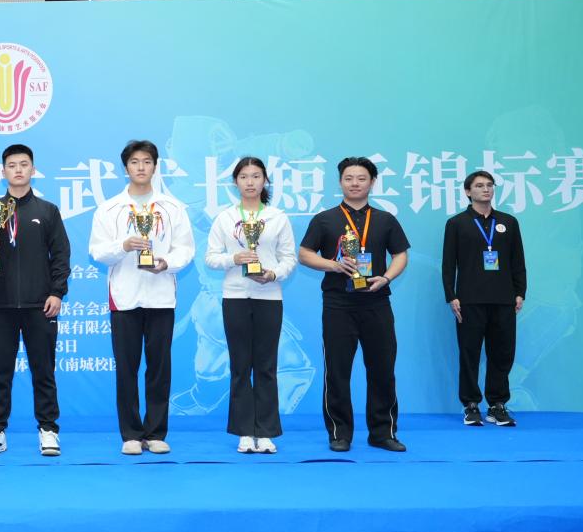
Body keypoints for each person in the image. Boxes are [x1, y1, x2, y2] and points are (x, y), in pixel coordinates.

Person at [88, 140, 195, 455]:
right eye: (135, 162)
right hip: (124, 297)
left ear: (155, 166)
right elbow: (97, 251)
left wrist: (166, 263)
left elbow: (186, 249)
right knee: (127, 368)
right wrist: (123, 246)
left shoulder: (172, 208)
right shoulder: (110, 208)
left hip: (161, 296)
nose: (141, 167)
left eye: (147, 161)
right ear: (126, 168)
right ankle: (131, 434)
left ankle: (156, 432)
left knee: (159, 367)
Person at [298, 157, 410, 452]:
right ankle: (339, 433)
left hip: (377, 303)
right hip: (338, 304)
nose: (355, 183)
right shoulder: (325, 219)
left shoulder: (385, 219)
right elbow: (304, 254)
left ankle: (382, 432)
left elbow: (401, 255)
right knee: (337, 371)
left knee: (383, 369)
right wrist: (333, 265)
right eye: (349, 178)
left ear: (372, 182)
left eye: (361, 178)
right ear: (340, 182)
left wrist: (386, 277)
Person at [0, 143, 71, 457]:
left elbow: (61, 255)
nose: (18, 170)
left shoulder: (47, 211)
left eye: (24, 164)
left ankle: (48, 429)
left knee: (44, 371)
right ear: (3, 172)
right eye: (12, 165)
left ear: (33, 170)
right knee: (0, 372)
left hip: (40, 305)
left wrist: (56, 292)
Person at [204, 157, 297, 454]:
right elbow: (210, 257)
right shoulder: (225, 218)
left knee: (266, 366)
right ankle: (245, 431)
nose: (250, 182)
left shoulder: (277, 217)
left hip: (269, 296)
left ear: (265, 180)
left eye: (256, 176)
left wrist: (273, 274)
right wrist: (234, 259)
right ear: (235, 182)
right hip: (235, 297)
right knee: (240, 365)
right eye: (244, 176)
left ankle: (266, 432)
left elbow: (289, 258)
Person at [442, 170, 526, 427]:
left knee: (502, 353)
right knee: (470, 353)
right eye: (479, 186)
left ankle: (497, 404)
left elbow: (517, 261)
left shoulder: (508, 222)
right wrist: (451, 296)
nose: (486, 189)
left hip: (503, 299)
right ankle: (470, 404)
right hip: (469, 300)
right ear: (468, 192)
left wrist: (520, 292)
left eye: (489, 185)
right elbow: (448, 264)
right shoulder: (457, 224)